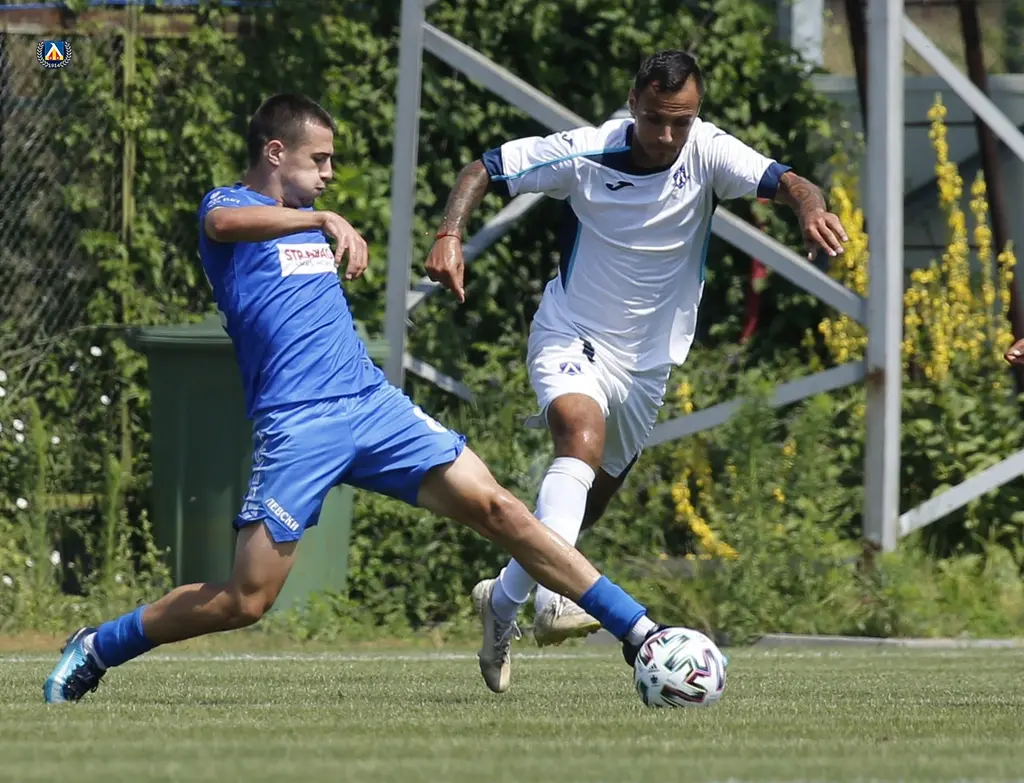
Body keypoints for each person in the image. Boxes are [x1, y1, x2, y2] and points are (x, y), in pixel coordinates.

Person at [43, 93, 667, 704]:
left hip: (372, 406)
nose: (329, 174)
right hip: (298, 426)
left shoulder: (307, 217)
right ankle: (99, 646)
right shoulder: (232, 207)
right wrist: (321, 219)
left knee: (500, 508)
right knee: (246, 600)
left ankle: (642, 633)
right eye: (319, 160)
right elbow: (222, 224)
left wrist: (320, 220)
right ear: (275, 152)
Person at [425, 50, 849, 684]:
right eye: (656, 119)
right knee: (580, 439)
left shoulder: (708, 151)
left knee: (586, 505)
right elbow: (483, 169)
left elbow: (788, 181)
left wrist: (809, 209)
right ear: (633, 105)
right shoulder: (585, 152)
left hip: (648, 365)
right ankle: (557, 597)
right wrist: (450, 234)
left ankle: (502, 601)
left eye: (682, 120)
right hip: (572, 334)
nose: (669, 135)